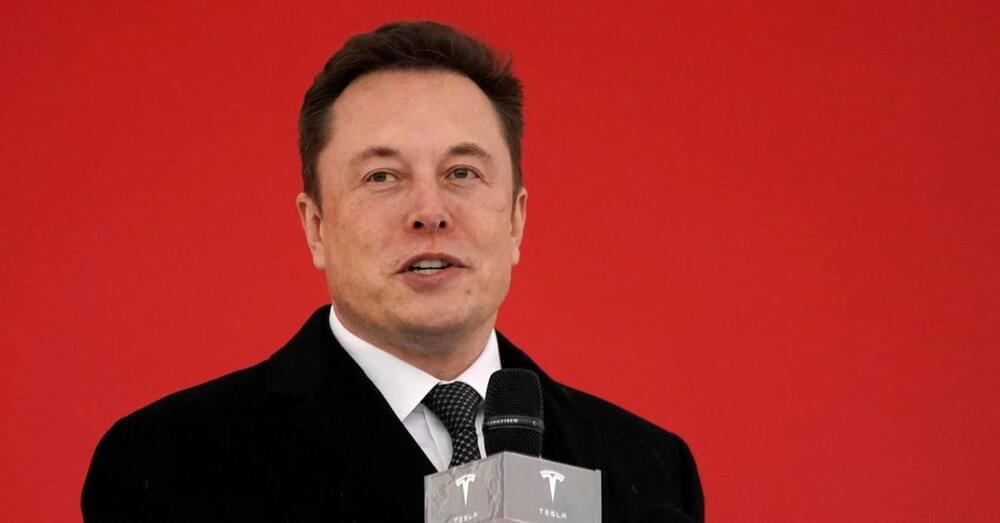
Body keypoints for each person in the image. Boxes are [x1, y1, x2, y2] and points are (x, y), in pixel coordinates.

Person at [81, 21, 704, 522]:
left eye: (462, 173)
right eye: (382, 176)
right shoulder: (170, 462)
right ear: (317, 226)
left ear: (515, 220)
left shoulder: (648, 467)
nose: (429, 212)